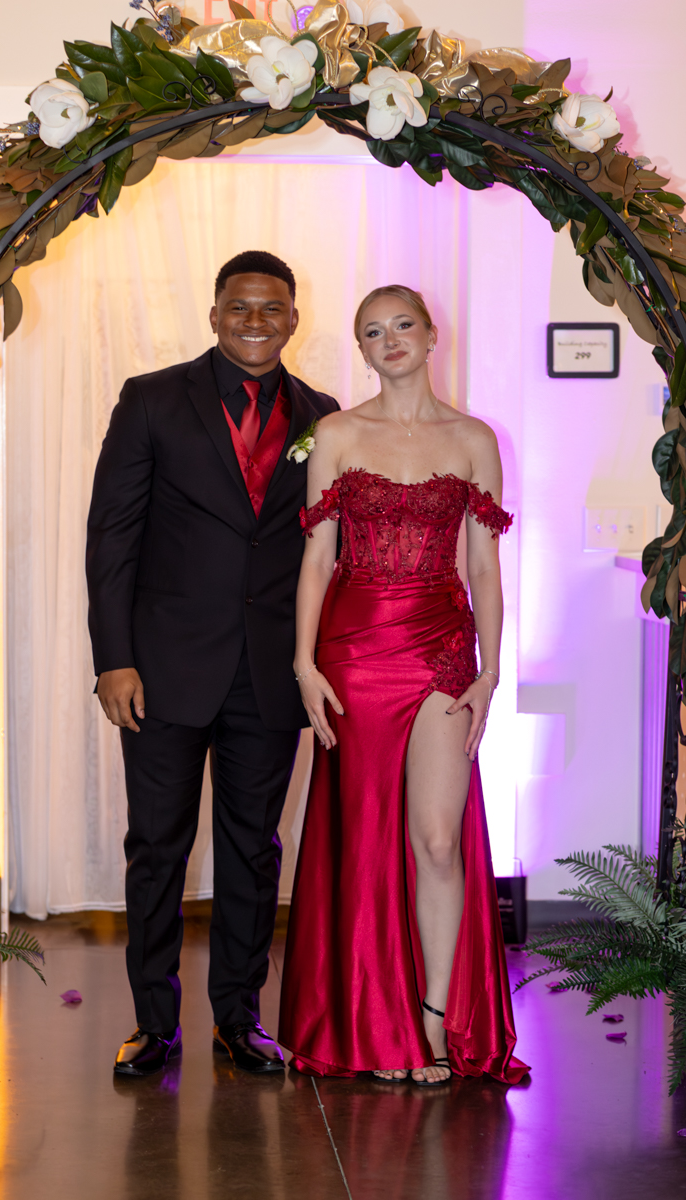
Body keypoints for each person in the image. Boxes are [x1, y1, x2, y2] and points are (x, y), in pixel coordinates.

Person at [86, 250, 338, 1077]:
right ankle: (154, 1025)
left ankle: (239, 1017)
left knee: (253, 849)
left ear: (293, 318)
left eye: (271, 308)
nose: (255, 321)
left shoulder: (324, 417)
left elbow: (328, 553)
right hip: (160, 671)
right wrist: (113, 660)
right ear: (215, 314)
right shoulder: (153, 399)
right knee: (156, 846)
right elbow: (112, 540)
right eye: (240, 307)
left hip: (270, 675)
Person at [278, 285, 528, 1085]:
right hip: (352, 651)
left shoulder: (473, 439)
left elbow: (484, 566)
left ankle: (433, 1017)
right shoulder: (338, 433)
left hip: (441, 649)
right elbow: (317, 558)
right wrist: (303, 662)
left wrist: (493, 670)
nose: (389, 341)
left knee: (437, 839)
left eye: (402, 326)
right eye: (371, 332)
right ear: (361, 349)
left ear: (429, 336)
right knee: (364, 842)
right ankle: (372, 1025)